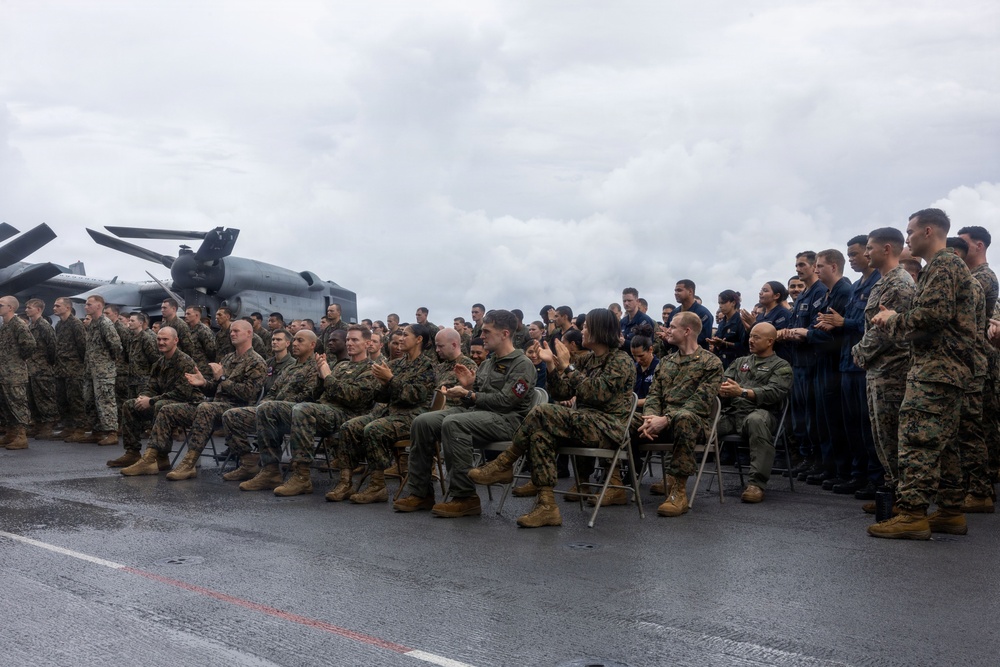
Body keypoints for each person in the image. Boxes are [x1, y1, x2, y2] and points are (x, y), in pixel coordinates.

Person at [469, 308, 635, 528]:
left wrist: (567, 366)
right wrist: (551, 365)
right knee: (540, 434)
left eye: (586, 327)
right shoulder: (587, 361)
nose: (582, 330)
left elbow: (598, 393)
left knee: (541, 411)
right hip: (584, 423)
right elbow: (562, 393)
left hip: (609, 427)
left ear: (600, 331)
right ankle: (547, 506)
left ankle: (505, 462)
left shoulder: (621, 360)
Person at [868, 208, 978, 539]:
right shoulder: (944, 267)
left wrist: (892, 320)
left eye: (911, 231)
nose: (908, 238)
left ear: (928, 231)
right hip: (945, 369)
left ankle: (913, 514)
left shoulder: (944, 265)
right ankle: (949, 511)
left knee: (917, 439)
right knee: (943, 445)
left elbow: (933, 316)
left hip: (935, 369)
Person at [394, 310, 536, 517]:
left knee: (454, 423)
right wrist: (466, 389)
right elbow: (476, 396)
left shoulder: (522, 364)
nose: (483, 335)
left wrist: (470, 394)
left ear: (505, 334)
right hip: (481, 415)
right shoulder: (488, 363)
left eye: (487, 331)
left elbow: (507, 402)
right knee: (422, 422)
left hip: (509, 421)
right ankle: (421, 493)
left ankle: (465, 497)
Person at [121, 320, 266, 480]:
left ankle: (189, 463)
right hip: (214, 407)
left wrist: (222, 378)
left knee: (205, 407)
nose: (232, 334)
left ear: (249, 334)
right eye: (231, 331)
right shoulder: (228, 359)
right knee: (167, 410)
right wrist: (203, 383)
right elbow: (215, 388)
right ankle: (150, 458)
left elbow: (247, 394)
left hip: (237, 409)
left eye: (236, 331)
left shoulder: (256, 361)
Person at [852, 227, 916, 512]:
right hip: (878, 370)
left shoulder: (899, 283)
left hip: (893, 370)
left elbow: (883, 330)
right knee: (881, 435)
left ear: (887, 248)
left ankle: (904, 499)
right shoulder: (882, 282)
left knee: (893, 436)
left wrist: (858, 352)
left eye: (869, 248)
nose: (866, 253)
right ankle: (891, 494)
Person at [636, 312, 724, 517]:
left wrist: (666, 419)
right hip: (659, 422)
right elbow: (654, 396)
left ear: (687, 331)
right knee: (625, 419)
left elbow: (699, 403)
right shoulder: (666, 362)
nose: (668, 330)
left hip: (694, 423)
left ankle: (679, 492)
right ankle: (614, 482)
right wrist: (649, 418)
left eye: (673, 326)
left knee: (684, 419)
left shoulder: (711, 363)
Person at [337, 323, 436, 504]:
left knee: (374, 429)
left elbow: (414, 396)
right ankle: (345, 482)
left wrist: (390, 379)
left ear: (419, 340)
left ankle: (377, 486)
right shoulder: (396, 364)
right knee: (349, 426)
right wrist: (382, 383)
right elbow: (382, 397)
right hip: (389, 413)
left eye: (406, 335)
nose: (401, 339)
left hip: (412, 416)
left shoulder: (427, 366)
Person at [816, 236, 883, 496]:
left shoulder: (879, 283)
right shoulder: (857, 286)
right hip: (848, 361)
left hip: (863, 365)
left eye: (858, 253)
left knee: (867, 427)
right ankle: (857, 475)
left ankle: (874, 478)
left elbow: (869, 324)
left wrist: (844, 323)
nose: (855, 258)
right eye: (853, 254)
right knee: (851, 425)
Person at [218, 330, 322, 491]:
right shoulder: (291, 367)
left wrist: (273, 406)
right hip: (271, 410)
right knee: (232, 415)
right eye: (294, 340)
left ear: (312, 345)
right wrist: (264, 405)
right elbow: (272, 392)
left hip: (296, 414)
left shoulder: (315, 367)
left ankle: (271, 470)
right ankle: (249, 463)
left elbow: (308, 397)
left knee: (268, 409)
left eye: (300, 341)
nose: (294, 344)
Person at [716, 323, 793, 503]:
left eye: (756, 337)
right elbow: (725, 381)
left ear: (770, 341)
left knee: (756, 420)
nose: (751, 340)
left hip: (762, 413)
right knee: (701, 422)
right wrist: (721, 389)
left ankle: (756, 485)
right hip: (733, 413)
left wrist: (742, 392)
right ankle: (676, 476)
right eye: (750, 336)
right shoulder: (740, 362)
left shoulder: (781, 366)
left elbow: (774, 393)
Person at [110, 327, 202, 469]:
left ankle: (161, 456)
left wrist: (151, 401)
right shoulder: (159, 363)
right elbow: (151, 386)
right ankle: (132, 452)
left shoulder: (185, 362)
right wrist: (144, 397)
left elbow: (182, 393)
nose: (161, 342)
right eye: (159, 339)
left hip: (189, 404)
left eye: (165, 339)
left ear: (175, 341)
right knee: (130, 405)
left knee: (161, 406)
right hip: (167, 401)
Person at [957, 225, 1000, 504]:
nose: (958, 250)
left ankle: (984, 483)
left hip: (980, 360)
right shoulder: (970, 276)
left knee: (979, 425)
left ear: (979, 245)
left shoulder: (983, 278)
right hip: (971, 360)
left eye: (964, 245)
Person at [781, 252, 828, 479]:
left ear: (813, 267)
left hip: (813, 361)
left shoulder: (820, 291)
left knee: (813, 416)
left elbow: (817, 327)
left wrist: (803, 333)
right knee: (801, 416)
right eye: (796, 265)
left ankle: (819, 461)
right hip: (797, 361)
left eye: (802, 265)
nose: (798, 268)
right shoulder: (802, 296)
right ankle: (807, 457)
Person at [80, 295, 122, 445]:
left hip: (103, 371)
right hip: (91, 371)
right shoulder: (92, 324)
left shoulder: (105, 324)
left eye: (89, 304)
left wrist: (106, 362)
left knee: (106, 400)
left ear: (99, 306)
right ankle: (96, 431)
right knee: (90, 400)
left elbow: (116, 346)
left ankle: (111, 432)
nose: (86, 307)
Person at [0, 296, 36, 450]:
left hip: (14, 373)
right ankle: (11, 433)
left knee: (18, 403)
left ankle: (21, 436)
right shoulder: (4, 326)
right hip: (4, 372)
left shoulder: (18, 325)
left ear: (11, 308)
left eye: (1, 304)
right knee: (6, 405)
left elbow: (30, 345)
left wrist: (18, 360)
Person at [51, 297, 88, 440]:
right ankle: (68, 426)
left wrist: (79, 365)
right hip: (61, 368)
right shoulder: (59, 325)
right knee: (62, 399)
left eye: (57, 305)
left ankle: (80, 428)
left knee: (76, 400)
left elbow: (83, 346)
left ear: (67, 307)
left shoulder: (76, 324)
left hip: (74, 369)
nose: (54, 308)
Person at [24, 298, 58, 439]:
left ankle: (48, 425)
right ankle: (38, 424)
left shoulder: (44, 326)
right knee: (33, 398)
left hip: (42, 368)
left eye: (29, 308)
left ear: (38, 310)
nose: (26, 310)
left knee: (45, 398)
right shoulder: (31, 326)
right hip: (32, 368)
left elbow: (53, 347)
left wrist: (47, 363)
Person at [664, 280, 714, 351]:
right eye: (675, 291)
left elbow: (702, 340)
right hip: (676, 357)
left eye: (679, 290)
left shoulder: (703, 314)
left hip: (697, 359)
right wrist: (666, 336)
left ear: (690, 291)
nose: (676, 293)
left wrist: (677, 338)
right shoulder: (674, 313)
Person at [710, 290, 747, 369]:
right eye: (719, 303)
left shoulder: (741, 321)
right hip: (721, 363)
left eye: (723, 303)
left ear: (733, 303)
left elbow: (744, 346)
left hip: (736, 364)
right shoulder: (722, 323)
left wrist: (725, 343)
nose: (720, 306)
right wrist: (715, 344)